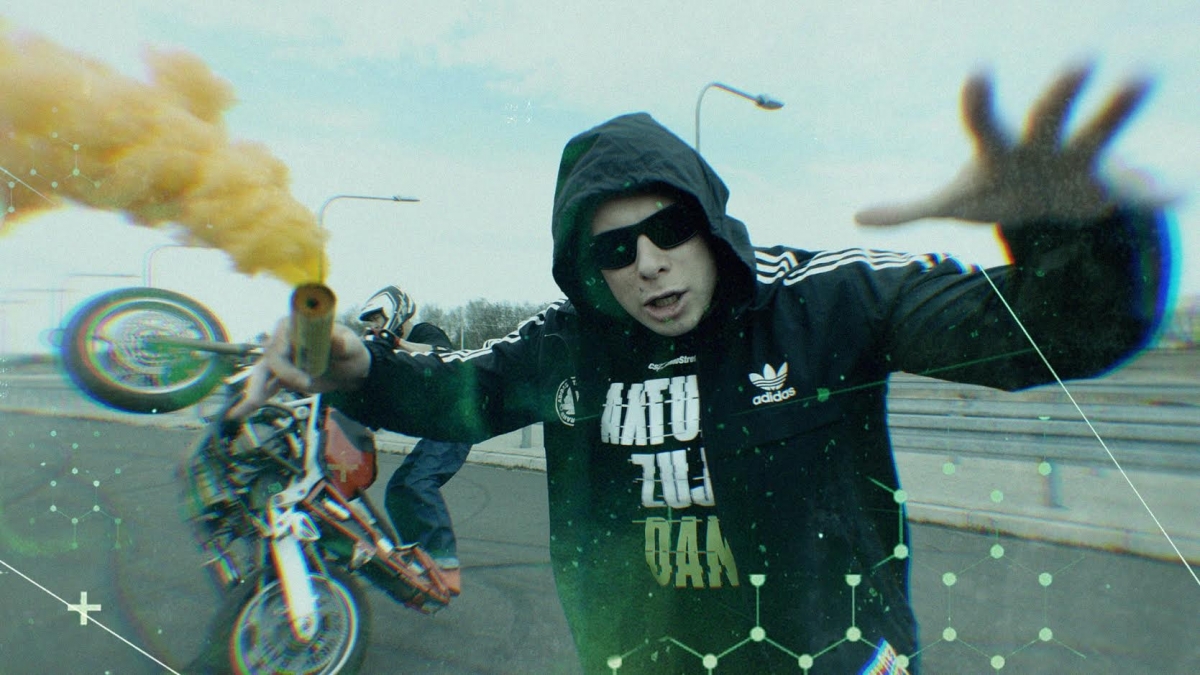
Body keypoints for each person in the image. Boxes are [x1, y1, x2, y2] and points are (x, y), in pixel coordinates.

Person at [234, 66, 1171, 674]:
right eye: (616, 249)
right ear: (586, 266)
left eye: (669, 229)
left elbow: (1049, 335)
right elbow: (454, 393)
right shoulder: (569, 346)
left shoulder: (826, 300)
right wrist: (355, 361)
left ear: (709, 222)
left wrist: (1080, 227)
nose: (649, 264)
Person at [356, 285, 472, 595]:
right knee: (398, 490)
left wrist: (397, 343)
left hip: (458, 423)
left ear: (395, 312)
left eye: (377, 319)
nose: (374, 326)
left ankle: (445, 563)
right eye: (370, 322)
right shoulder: (388, 354)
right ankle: (419, 556)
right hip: (438, 428)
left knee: (419, 482)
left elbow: (442, 355)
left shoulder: (424, 332)